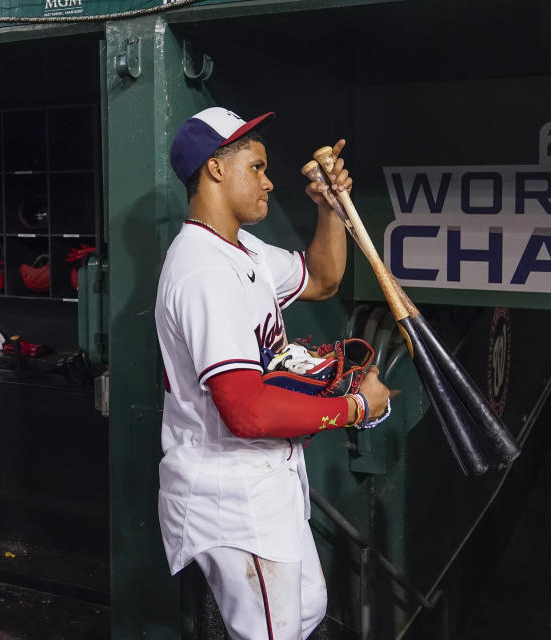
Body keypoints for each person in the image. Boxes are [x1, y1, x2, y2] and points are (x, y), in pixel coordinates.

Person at [154, 106, 391, 640]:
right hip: (231, 494)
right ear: (216, 169)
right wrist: (354, 409)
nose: (269, 181)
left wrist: (330, 208)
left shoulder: (242, 251)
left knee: (305, 615)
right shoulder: (203, 271)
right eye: (256, 168)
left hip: (269, 485)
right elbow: (246, 411)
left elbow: (324, 278)